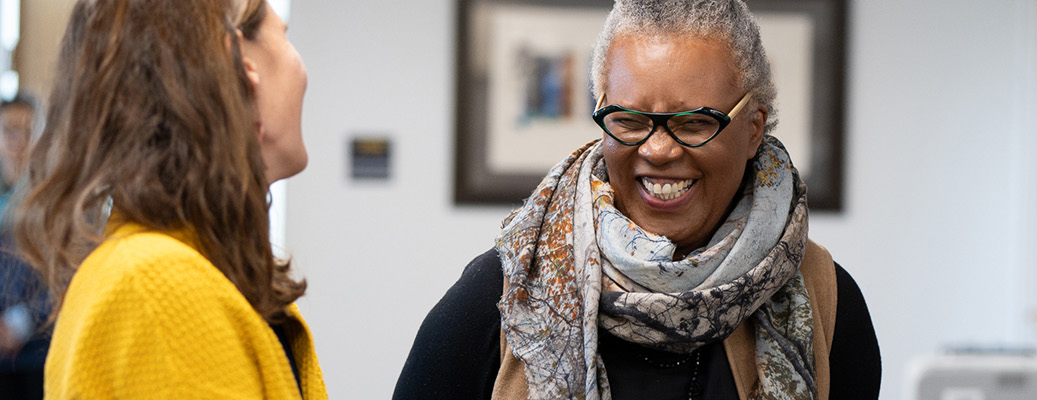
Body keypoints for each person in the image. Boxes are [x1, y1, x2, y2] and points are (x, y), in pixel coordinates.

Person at [394, 0, 881, 398]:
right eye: (628, 121)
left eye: (694, 122)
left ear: (753, 128)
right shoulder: (505, 295)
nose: (658, 149)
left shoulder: (827, 304)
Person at [11, 0, 324, 398]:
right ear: (245, 74)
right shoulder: (159, 289)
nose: (305, 73)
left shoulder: (207, 272)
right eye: (285, 36)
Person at [0, 92, 46, 400]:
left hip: (35, 359)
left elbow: (68, 278)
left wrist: (18, 324)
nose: (20, 142)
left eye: (30, 131)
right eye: (10, 131)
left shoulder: (56, 205)